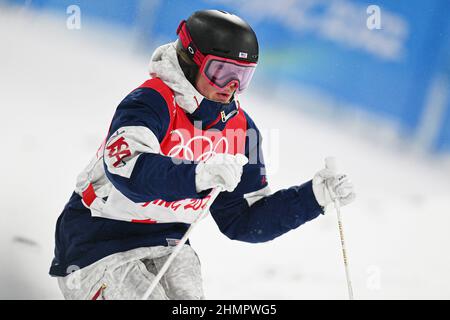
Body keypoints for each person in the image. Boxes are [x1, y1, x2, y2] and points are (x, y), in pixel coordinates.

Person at [50, 9, 355, 300]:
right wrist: (197, 175)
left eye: (243, 76)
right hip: (96, 241)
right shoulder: (151, 102)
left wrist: (313, 197)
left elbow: (243, 220)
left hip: (167, 244)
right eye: (221, 72)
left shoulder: (239, 129)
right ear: (191, 61)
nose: (231, 87)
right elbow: (128, 170)